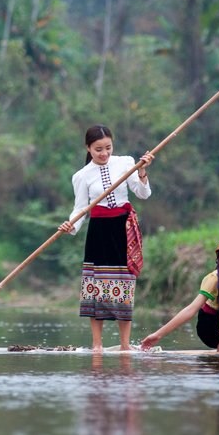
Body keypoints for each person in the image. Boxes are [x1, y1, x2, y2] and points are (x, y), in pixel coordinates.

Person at [58, 124, 154, 351]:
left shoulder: (126, 163)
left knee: (124, 282)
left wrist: (142, 171)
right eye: (98, 149)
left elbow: (143, 194)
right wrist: (70, 225)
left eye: (108, 148)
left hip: (123, 229)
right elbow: (80, 209)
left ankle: (124, 344)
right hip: (99, 231)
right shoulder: (81, 176)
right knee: (97, 286)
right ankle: (97, 344)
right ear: (88, 148)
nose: (104, 154)